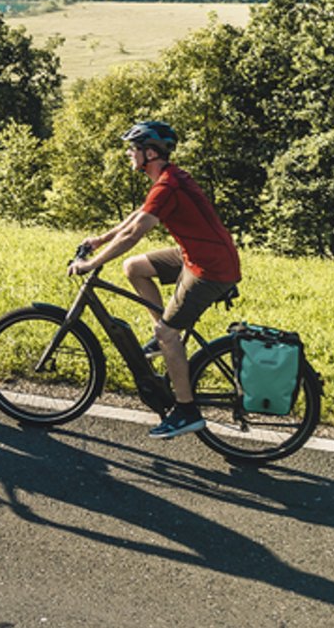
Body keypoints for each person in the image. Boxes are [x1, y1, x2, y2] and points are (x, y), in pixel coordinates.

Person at [69, 120, 241, 439]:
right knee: (134, 268)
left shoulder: (168, 185)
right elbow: (139, 215)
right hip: (196, 256)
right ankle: (165, 340)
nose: (128, 154)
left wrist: (91, 263)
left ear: (149, 152)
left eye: (133, 149)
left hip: (210, 268)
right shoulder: (166, 180)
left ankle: (186, 410)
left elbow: (136, 233)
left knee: (167, 332)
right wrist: (100, 239)